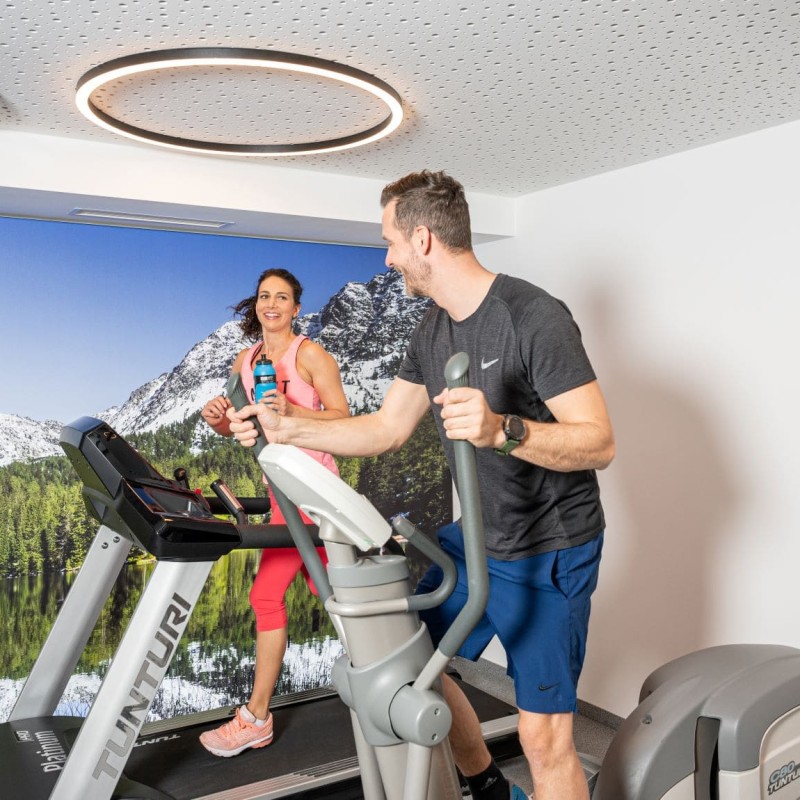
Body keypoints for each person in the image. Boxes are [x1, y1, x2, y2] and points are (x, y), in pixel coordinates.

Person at [227, 171, 614, 800]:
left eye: (391, 241)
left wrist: (502, 430)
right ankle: (487, 786)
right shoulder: (431, 330)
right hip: (477, 540)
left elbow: (599, 440)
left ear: (424, 238)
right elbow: (384, 428)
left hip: (550, 548)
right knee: (409, 671)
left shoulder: (533, 315)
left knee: (545, 739)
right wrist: (286, 428)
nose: (387, 256)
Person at [198, 267, 350, 758]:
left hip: (315, 489)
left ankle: (256, 717)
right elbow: (241, 426)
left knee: (280, 595)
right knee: (331, 597)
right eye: (265, 296)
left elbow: (343, 418)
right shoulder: (248, 360)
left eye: (282, 297)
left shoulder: (311, 355)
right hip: (281, 488)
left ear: (296, 308)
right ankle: (403, 679)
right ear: (256, 304)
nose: (272, 305)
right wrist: (221, 420)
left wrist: (290, 408)